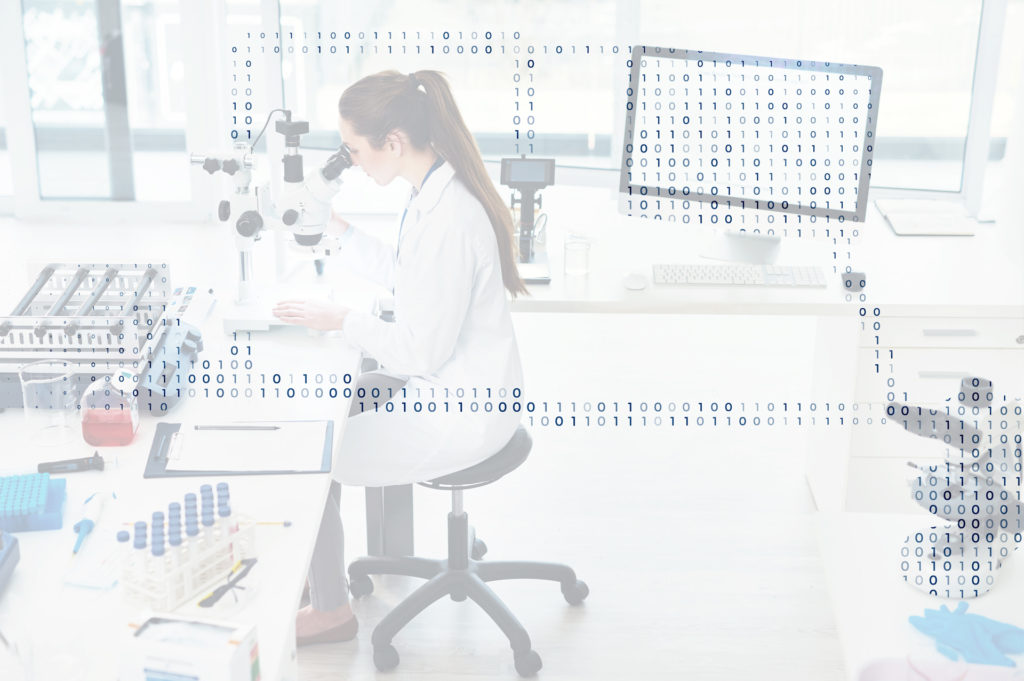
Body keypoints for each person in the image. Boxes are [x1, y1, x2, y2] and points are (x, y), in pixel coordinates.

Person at [272, 69, 526, 644]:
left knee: (311, 457)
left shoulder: (451, 217)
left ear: (392, 142)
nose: (353, 163)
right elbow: (412, 278)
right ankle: (322, 572)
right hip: (459, 386)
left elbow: (418, 352)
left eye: (356, 150)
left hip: (460, 413)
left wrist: (342, 321)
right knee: (328, 409)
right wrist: (335, 231)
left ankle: (332, 609)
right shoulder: (435, 188)